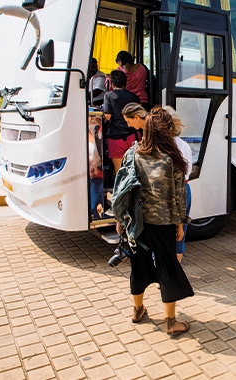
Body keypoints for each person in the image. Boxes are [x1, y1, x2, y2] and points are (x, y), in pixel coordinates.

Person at [115, 106, 193, 335]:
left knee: (138, 267)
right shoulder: (173, 158)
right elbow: (179, 197)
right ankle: (170, 322)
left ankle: (138, 310)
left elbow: (123, 188)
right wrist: (180, 225)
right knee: (167, 268)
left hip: (137, 223)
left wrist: (121, 218)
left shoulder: (132, 153)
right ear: (167, 130)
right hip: (164, 223)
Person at [163, 106, 193, 263]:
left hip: (167, 192)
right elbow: (188, 170)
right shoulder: (184, 145)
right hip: (185, 190)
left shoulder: (159, 147)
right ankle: (175, 275)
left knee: (162, 234)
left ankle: (162, 276)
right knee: (179, 236)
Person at [102, 70, 141, 176]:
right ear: (125, 83)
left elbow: (108, 115)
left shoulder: (109, 95)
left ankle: (121, 191)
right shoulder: (133, 96)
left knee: (119, 171)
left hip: (116, 139)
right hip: (132, 137)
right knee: (133, 169)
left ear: (112, 83)